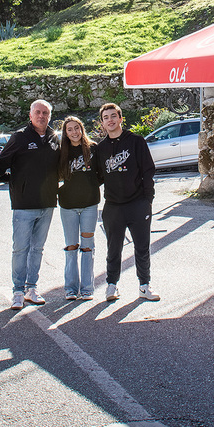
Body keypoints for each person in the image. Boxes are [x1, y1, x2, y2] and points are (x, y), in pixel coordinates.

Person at [0, 99, 60, 310]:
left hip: (47, 203)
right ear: (30, 115)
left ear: (49, 116)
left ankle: (32, 288)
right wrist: (15, 183)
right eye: (38, 112)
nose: (41, 116)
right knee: (20, 249)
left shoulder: (54, 137)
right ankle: (17, 291)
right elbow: (1, 164)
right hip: (24, 204)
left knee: (37, 249)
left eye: (45, 113)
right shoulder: (19, 137)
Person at [94, 102, 159, 302]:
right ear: (102, 123)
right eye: (106, 117)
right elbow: (97, 177)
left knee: (142, 247)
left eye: (113, 116)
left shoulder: (136, 141)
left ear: (121, 118)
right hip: (113, 207)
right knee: (113, 249)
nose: (110, 120)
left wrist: (148, 200)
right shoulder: (101, 149)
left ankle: (144, 286)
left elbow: (148, 170)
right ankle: (111, 286)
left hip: (138, 204)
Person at [57, 116, 100, 301]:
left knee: (88, 247)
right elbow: (54, 176)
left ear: (82, 129)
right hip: (68, 206)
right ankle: (71, 289)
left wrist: (91, 186)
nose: (74, 132)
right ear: (65, 133)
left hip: (89, 205)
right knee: (71, 247)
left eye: (77, 128)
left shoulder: (93, 149)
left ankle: (87, 289)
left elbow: (101, 174)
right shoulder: (61, 152)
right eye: (70, 129)